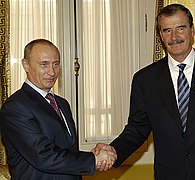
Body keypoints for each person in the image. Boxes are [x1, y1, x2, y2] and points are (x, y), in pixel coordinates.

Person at [93, 3, 195, 180]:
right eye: (167, 30)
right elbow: (138, 128)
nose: (174, 37)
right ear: (160, 36)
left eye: (180, 28)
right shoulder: (145, 79)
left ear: (192, 30)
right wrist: (114, 150)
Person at [0, 39, 116, 180]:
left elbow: (64, 150)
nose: (52, 72)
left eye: (56, 64)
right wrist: (93, 160)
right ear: (26, 65)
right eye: (44, 64)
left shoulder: (62, 104)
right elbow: (42, 155)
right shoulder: (15, 107)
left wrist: (92, 154)